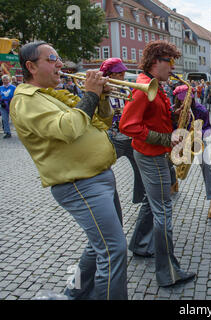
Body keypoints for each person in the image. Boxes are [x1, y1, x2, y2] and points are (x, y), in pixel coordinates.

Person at [10, 41, 127, 300]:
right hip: (80, 184)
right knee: (113, 250)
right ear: (31, 66)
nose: (60, 64)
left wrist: (103, 97)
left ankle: (72, 294)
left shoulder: (52, 95)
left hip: (99, 177)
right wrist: (91, 94)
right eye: (52, 59)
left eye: (59, 58)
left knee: (98, 249)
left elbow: (102, 121)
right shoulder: (26, 100)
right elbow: (68, 128)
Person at [119, 40, 196, 287]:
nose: (173, 67)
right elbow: (128, 126)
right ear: (155, 62)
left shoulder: (155, 85)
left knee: (152, 205)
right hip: (151, 154)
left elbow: (151, 117)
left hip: (152, 152)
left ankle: (140, 245)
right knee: (163, 210)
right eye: (169, 61)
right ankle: (168, 272)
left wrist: (174, 115)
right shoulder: (144, 87)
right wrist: (166, 138)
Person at [99, 57, 146, 205]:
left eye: (122, 73)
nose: (122, 76)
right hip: (112, 139)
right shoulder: (100, 91)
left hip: (130, 138)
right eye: (118, 74)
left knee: (141, 170)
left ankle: (141, 198)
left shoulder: (126, 90)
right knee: (103, 171)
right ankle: (106, 202)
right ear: (109, 75)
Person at [172, 84, 211, 219]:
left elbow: (207, 128)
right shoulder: (173, 110)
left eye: (188, 99)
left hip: (196, 139)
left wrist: (201, 134)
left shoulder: (200, 110)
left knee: (206, 166)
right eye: (182, 99)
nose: (185, 102)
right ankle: (173, 182)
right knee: (166, 161)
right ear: (177, 99)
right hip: (179, 138)